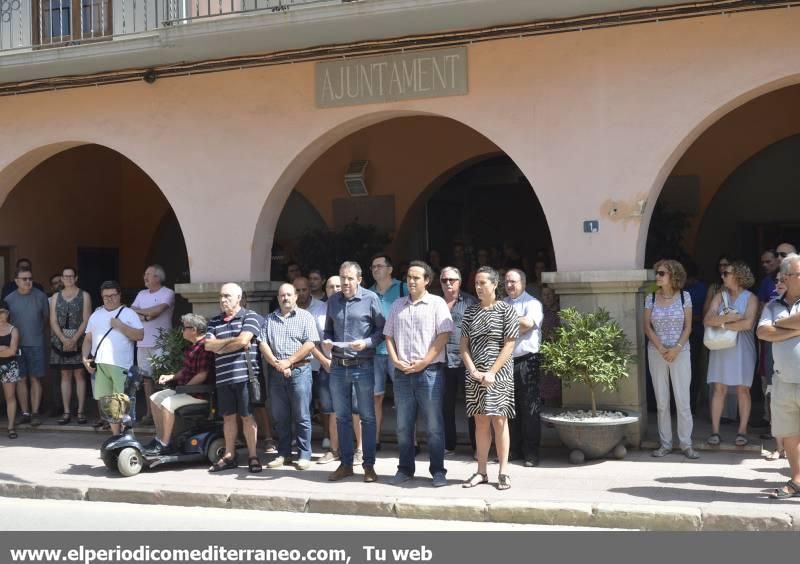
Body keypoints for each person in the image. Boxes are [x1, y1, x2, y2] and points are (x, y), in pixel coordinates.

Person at [384, 260, 453, 487]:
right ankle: (405, 468)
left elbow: (444, 334)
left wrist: (425, 361)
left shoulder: (437, 303)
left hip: (430, 373)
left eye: (416, 278)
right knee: (403, 425)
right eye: (409, 277)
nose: (411, 281)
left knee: (434, 425)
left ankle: (438, 471)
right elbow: (389, 336)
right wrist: (395, 360)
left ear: (427, 281)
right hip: (403, 374)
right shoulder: (397, 305)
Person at [323, 261, 385, 483]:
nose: (345, 282)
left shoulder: (370, 298)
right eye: (342, 278)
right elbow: (328, 330)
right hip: (339, 366)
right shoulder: (333, 301)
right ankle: (346, 464)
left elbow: (381, 330)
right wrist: (327, 342)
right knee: (342, 418)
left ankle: (368, 465)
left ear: (359, 279)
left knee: (367, 418)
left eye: (349, 278)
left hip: (363, 365)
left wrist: (367, 342)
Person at [460, 266, 518, 491]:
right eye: (476, 283)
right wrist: (473, 370)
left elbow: (510, 343)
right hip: (475, 375)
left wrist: (492, 371)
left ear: (495, 285)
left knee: (499, 421)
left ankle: (503, 471)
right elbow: (463, 345)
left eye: (483, 283)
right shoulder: (470, 311)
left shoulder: (506, 310)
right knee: (480, 422)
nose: (478, 287)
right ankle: (481, 471)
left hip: (499, 374)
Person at [259, 283, 319, 470]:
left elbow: (310, 344)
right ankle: (283, 454)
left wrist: (289, 361)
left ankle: (304, 455)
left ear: (295, 297)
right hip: (276, 373)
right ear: (278, 298)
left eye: (289, 295)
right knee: (280, 416)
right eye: (282, 295)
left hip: (300, 372)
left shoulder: (305, 317)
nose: (285, 298)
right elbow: (262, 344)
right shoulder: (269, 319)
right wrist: (277, 363)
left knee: (302, 415)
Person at [205, 283, 263, 473]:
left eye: (227, 296)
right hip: (223, 378)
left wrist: (221, 346)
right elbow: (208, 346)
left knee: (247, 417)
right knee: (228, 418)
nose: (223, 300)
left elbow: (244, 340)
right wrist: (234, 342)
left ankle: (253, 456)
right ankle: (229, 455)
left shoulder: (251, 316)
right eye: (221, 296)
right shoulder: (213, 322)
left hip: (245, 376)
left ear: (239, 298)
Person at [643, 260, 699, 459]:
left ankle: (686, 444)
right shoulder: (650, 297)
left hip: (681, 352)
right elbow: (647, 327)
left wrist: (675, 349)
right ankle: (665, 444)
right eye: (657, 273)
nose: (657, 276)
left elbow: (688, 327)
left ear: (673, 276)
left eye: (661, 273)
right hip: (656, 352)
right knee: (662, 401)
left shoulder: (685, 297)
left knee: (683, 400)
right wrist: (661, 348)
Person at [756, 253, 800, 498]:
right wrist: (793, 330)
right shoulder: (772, 305)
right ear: (787, 277)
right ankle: (796, 481)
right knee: (790, 435)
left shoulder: (775, 311)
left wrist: (780, 325)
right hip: (782, 380)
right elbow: (762, 332)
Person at [704, 260, 758, 447]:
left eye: (726, 273)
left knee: (743, 389)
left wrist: (721, 323)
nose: (722, 276)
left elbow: (748, 324)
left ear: (738, 276)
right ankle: (715, 431)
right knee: (719, 389)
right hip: (721, 347)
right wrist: (728, 319)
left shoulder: (751, 298)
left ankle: (742, 431)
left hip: (743, 348)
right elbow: (707, 320)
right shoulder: (720, 295)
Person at [144, 313, 215, 455]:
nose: (182, 330)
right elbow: (186, 370)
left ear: (194, 330)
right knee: (155, 398)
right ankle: (161, 438)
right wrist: (171, 376)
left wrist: (185, 388)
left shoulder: (204, 347)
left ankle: (165, 444)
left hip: (199, 393)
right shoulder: (192, 347)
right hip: (187, 390)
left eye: (184, 328)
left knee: (167, 403)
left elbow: (202, 375)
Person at [81, 281, 144, 436]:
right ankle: (116, 436)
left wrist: (121, 326)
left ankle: (127, 436)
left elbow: (140, 335)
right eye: (105, 296)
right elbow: (88, 339)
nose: (109, 299)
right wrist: (84, 357)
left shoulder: (129, 313)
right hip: (101, 364)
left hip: (121, 364)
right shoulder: (96, 315)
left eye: (112, 295)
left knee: (123, 402)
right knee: (109, 403)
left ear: (119, 295)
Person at [503, 268, 545, 467]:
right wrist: (516, 324)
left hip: (527, 361)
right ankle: (514, 449)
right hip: (505, 362)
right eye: (507, 282)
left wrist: (507, 322)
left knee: (529, 408)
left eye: (514, 281)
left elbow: (528, 323)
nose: (510, 285)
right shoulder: (501, 303)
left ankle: (531, 453)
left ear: (524, 283)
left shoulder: (532, 303)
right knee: (510, 408)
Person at [369, 254, 408, 452]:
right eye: (373, 267)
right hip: (374, 352)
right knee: (375, 397)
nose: (376, 269)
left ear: (390, 269)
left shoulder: (403, 288)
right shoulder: (367, 293)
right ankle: (375, 440)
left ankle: (409, 441)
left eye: (380, 266)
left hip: (399, 352)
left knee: (404, 397)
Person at [130, 265, 176, 426]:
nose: (145, 277)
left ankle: (163, 413)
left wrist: (145, 313)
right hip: (142, 342)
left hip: (161, 342)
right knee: (146, 379)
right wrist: (147, 315)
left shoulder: (167, 293)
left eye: (148, 274)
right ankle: (150, 413)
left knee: (162, 379)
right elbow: (131, 311)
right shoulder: (141, 294)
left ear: (158, 277)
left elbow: (158, 311)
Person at [5, 266, 49, 427]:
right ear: (16, 281)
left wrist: (37, 334)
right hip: (16, 346)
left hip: (36, 343)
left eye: (30, 278)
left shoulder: (41, 297)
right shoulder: (9, 299)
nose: (28, 281)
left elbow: (46, 319)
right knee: (21, 379)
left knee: (35, 378)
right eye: (24, 279)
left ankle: (35, 413)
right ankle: (25, 412)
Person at [439, 266, 477, 455]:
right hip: (441, 362)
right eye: (444, 280)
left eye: (452, 280)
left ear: (459, 282)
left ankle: (477, 447)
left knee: (473, 407)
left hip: (466, 362)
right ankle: (448, 445)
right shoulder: (434, 303)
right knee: (445, 407)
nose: (448, 283)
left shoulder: (471, 302)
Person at [49, 267, 92, 425]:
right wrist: (63, 338)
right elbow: (52, 320)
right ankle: (66, 412)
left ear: (76, 277)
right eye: (65, 276)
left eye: (71, 276)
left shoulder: (85, 295)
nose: (68, 279)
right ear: (62, 278)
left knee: (79, 374)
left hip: (79, 339)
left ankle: (80, 411)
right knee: (65, 375)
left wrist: (74, 339)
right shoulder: (55, 296)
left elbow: (86, 319)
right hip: (59, 341)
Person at [312, 276, 341, 464]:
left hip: (350, 365)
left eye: (338, 285)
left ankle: (360, 449)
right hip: (326, 366)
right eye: (331, 286)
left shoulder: (352, 308)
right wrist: (323, 361)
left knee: (355, 410)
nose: (335, 289)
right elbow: (312, 342)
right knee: (330, 409)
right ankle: (334, 449)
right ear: (326, 289)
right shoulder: (317, 312)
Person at [758, 271, 787, 461]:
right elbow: (763, 332)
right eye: (776, 280)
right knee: (775, 404)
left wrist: (778, 329)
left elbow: (773, 330)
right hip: (773, 361)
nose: (778, 283)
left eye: (782, 279)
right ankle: (779, 448)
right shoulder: (771, 305)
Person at [539, 285, 562, 407]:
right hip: (544, 354)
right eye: (544, 295)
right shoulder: (540, 312)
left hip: (558, 354)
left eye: (549, 294)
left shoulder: (561, 311)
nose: (547, 297)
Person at [0, 302, 20, 439]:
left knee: (10, 397)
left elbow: (12, 351)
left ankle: (11, 427)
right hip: (7, 362)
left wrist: (6, 350)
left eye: (4, 312)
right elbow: (8, 350)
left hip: (9, 365)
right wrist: (3, 349)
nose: (2, 315)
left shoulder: (13, 330)